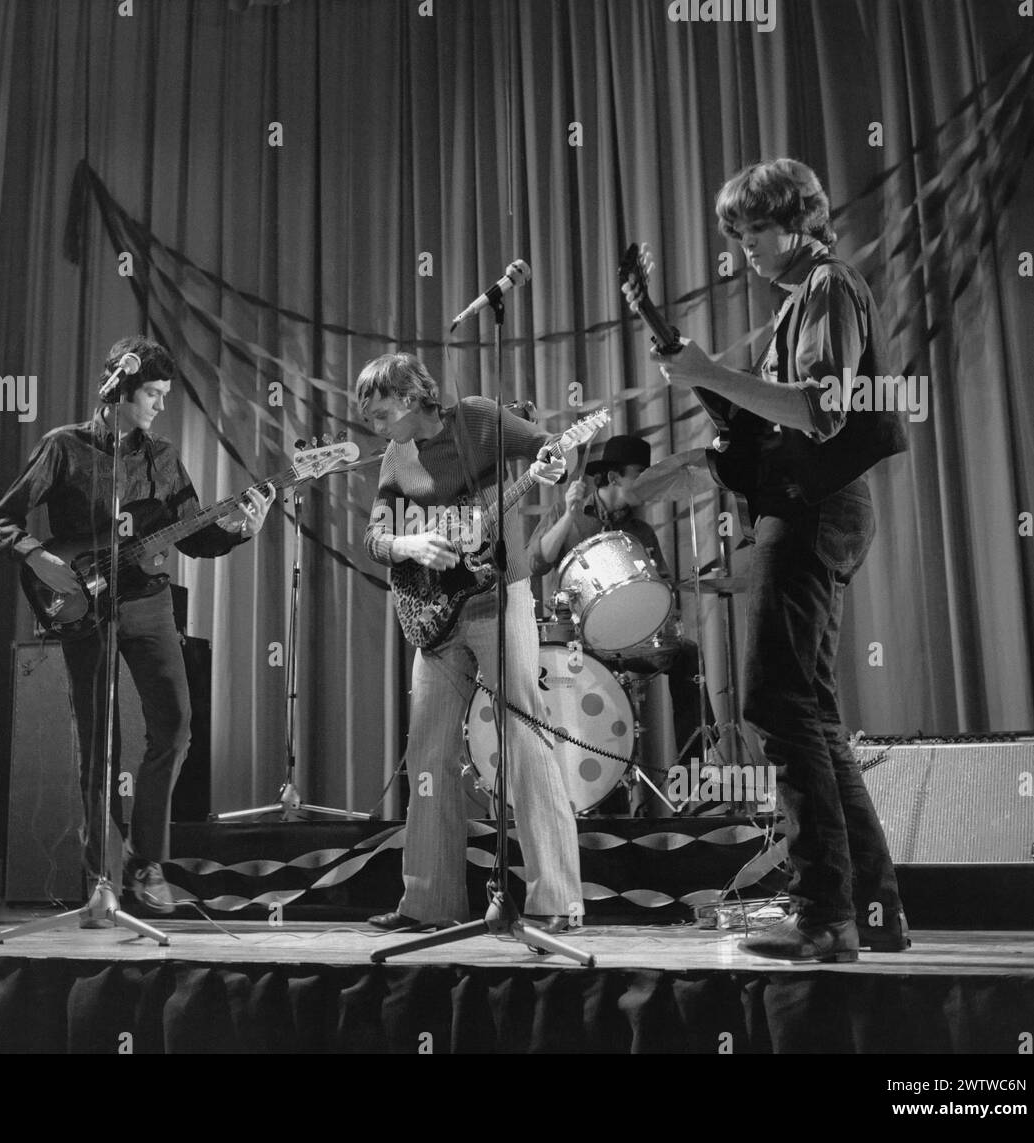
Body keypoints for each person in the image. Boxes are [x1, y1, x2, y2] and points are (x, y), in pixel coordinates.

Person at [627, 158, 910, 961]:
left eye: (756, 228)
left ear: (800, 218)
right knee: (809, 711)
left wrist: (711, 373)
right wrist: (706, 379)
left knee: (779, 707)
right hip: (816, 507)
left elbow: (821, 411)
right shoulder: (804, 300)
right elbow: (769, 424)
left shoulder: (828, 287)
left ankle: (825, 915)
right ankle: (872, 911)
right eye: (738, 233)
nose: (744, 245)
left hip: (813, 509)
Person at [0, 335, 274, 918]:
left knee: (176, 725)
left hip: (148, 603)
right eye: (152, 394)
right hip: (82, 603)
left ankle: (145, 863)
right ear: (119, 390)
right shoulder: (63, 447)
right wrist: (40, 557)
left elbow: (194, 532)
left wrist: (242, 528)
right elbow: (1, 519)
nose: (160, 405)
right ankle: (101, 883)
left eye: (165, 396)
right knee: (98, 742)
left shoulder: (163, 456)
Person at [357, 352, 583, 933]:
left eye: (381, 414)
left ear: (410, 398)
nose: (375, 428)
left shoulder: (478, 418)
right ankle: (429, 904)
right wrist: (409, 547)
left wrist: (557, 463)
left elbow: (554, 447)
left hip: (498, 600)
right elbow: (376, 537)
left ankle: (558, 903)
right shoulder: (396, 457)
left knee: (524, 737)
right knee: (429, 753)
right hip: (436, 617)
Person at [527, 434, 713, 811]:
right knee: (602, 686)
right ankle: (605, 800)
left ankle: (692, 776)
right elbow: (535, 562)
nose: (646, 482)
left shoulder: (640, 532)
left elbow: (661, 587)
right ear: (612, 477)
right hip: (583, 648)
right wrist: (565, 516)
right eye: (639, 474)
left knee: (688, 655)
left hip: (633, 643)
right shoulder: (573, 514)